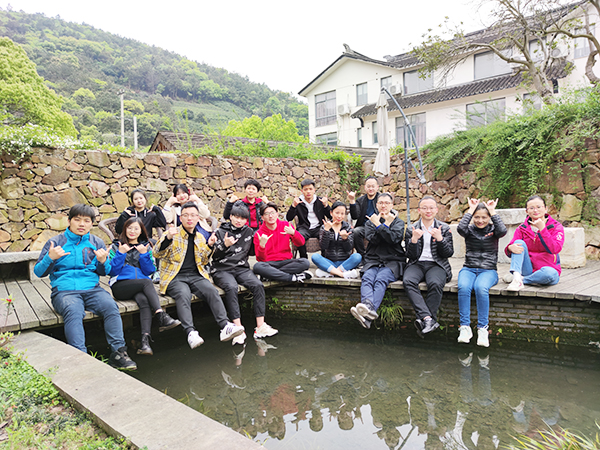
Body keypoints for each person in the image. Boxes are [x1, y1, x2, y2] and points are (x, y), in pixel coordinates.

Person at [34, 204, 136, 370]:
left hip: (92, 289)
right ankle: (80, 358)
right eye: (77, 219)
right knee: (74, 310)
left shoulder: (96, 242)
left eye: (86, 221)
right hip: (64, 292)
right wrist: (50, 258)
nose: (82, 224)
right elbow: (39, 272)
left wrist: (103, 261)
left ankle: (119, 353)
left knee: (111, 306)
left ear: (91, 223)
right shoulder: (56, 242)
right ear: (69, 221)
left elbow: (106, 271)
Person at [154, 202, 244, 349]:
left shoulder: (200, 237)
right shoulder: (172, 233)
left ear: (198, 218)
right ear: (180, 218)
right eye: (186, 215)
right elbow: (156, 253)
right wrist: (168, 238)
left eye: (193, 215)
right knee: (183, 294)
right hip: (174, 277)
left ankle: (225, 326)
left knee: (211, 290)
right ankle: (191, 332)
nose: (190, 218)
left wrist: (209, 246)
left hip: (195, 275)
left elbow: (203, 261)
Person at [108, 217, 180, 356]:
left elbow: (150, 271)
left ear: (141, 231)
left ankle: (145, 342)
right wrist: (121, 253)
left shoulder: (145, 246)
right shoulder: (116, 246)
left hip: (139, 287)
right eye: (129, 228)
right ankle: (160, 315)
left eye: (136, 228)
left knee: (144, 301)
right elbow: (112, 271)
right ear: (125, 229)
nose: (132, 231)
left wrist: (143, 255)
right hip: (120, 287)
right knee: (147, 282)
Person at [210, 201, 278, 346]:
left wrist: (262, 244)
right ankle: (238, 329)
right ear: (231, 216)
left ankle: (260, 326)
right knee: (232, 287)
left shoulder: (248, 232)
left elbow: (253, 252)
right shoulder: (220, 232)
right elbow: (213, 256)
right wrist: (224, 245)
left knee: (258, 285)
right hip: (222, 269)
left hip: (241, 268)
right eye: (236, 217)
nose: (239, 221)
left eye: (242, 218)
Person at [350, 193, 406, 329]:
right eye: (381, 203)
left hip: (393, 260)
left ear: (392, 205)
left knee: (381, 279)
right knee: (368, 278)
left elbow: (392, 239)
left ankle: (367, 311)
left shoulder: (398, 222)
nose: (384, 205)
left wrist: (381, 225)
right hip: (374, 260)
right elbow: (374, 240)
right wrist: (382, 225)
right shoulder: (370, 221)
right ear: (376, 205)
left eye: (387, 203)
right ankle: (370, 310)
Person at [456, 198, 507, 347]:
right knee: (464, 287)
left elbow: (503, 230)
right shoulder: (469, 230)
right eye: (477, 217)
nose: (480, 220)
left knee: (480, 288)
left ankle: (482, 329)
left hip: (488, 270)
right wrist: (471, 209)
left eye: (484, 217)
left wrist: (492, 211)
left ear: (489, 218)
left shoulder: (494, 230)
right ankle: (465, 328)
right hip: (469, 268)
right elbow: (460, 228)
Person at [404, 196, 454, 337]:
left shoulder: (444, 228)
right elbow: (410, 255)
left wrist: (440, 239)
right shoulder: (412, 228)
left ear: (436, 210)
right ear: (419, 210)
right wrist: (413, 240)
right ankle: (428, 319)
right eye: (425, 208)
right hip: (417, 263)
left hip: (437, 264)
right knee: (408, 281)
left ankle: (425, 320)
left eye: (431, 208)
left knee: (435, 283)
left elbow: (448, 253)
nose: (428, 211)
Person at [505, 195, 564, 291]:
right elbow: (511, 247)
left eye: (538, 207)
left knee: (551, 274)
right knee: (518, 242)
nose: (535, 210)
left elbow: (555, 248)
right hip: (527, 269)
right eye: (531, 208)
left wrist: (543, 229)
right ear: (527, 212)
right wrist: (510, 248)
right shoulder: (522, 228)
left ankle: (520, 279)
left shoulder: (556, 227)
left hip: (546, 270)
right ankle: (517, 276)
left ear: (545, 209)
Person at [253, 202, 312, 282]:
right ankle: (292, 277)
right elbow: (260, 259)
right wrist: (262, 246)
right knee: (257, 267)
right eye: (267, 214)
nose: (270, 216)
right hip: (269, 263)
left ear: (277, 214)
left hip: (286, 262)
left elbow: (301, 243)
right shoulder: (259, 234)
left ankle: (270, 275)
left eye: (272, 213)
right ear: (262, 217)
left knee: (305, 262)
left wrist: (294, 233)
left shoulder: (286, 225)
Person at [311, 201, 361, 279]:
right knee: (315, 256)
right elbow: (323, 246)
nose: (339, 216)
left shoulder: (348, 227)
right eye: (337, 213)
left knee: (357, 257)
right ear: (331, 213)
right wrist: (326, 231)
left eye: (342, 214)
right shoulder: (324, 226)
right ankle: (343, 274)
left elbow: (349, 248)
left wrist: (345, 239)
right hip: (329, 261)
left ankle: (331, 272)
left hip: (344, 262)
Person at [286, 179, 331, 259]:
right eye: (305, 189)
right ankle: (304, 258)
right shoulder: (298, 202)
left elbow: (330, 216)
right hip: (304, 228)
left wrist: (326, 205)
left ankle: (324, 258)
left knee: (325, 234)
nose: (308, 191)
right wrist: (293, 206)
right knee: (299, 236)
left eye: (310, 189)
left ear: (314, 190)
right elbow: (289, 218)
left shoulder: (320, 201)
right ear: (302, 191)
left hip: (318, 227)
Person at [348, 176, 381, 257]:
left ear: (377, 187)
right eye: (368, 186)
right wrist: (352, 201)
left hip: (378, 226)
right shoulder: (360, 200)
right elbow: (355, 216)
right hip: (364, 227)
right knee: (356, 231)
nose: (371, 188)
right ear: (365, 188)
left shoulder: (381, 199)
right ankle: (362, 256)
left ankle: (379, 256)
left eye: (373, 186)